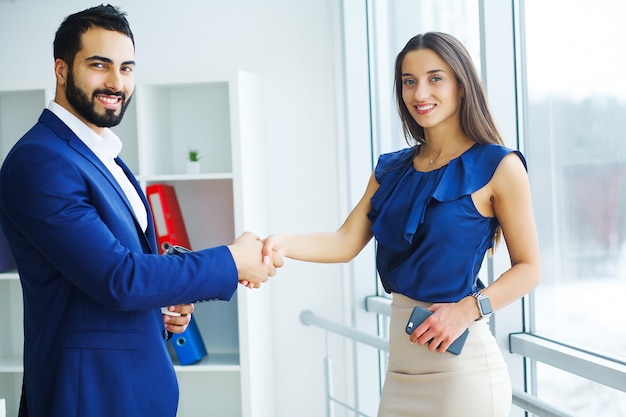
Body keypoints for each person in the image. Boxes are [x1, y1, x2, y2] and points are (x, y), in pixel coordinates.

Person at [0, 5, 275, 417]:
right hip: (88, 398)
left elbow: (113, 274)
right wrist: (232, 260)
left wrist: (162, 304)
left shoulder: (102, 155)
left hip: (127, 390)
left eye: (126, 68)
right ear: (61, 70)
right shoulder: (41, 161)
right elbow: (118, 277)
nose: (116, 82)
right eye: (99, 65)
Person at [263, 32, 541, 417]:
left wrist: (465, 311)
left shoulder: (499, 166)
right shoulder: (390, 169)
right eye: (409, 81)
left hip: (462, 373)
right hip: (400, 370)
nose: (419, 93)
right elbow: (345, 241)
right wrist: (281, 243)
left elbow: (529, 268)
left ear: (462, 85)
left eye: (434, 78)